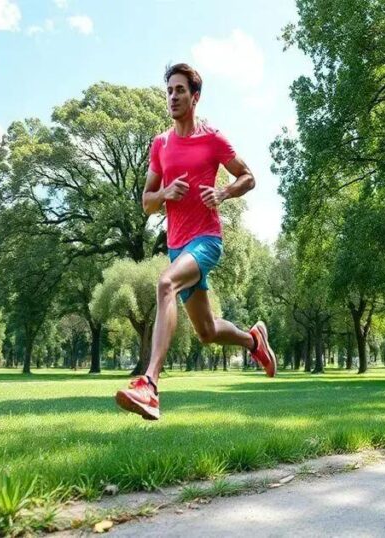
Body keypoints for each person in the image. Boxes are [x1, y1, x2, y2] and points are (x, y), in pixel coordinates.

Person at [115, 63, 277, 421]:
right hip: (177, 244)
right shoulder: (160, 144)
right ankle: (254, 341)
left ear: (195, 97)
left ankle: (150, 386)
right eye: (169, 91)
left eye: (180, 91)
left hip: (207, 240)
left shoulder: (213, 139)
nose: (173, 97)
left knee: (165, 283)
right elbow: (146, 202)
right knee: (205, 332)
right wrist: (166, 192)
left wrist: (223, 192)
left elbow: (248, 177)